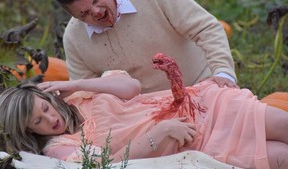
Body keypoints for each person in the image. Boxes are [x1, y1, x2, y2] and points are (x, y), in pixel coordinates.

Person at [0, 71, 287, 169]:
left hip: (203, 108)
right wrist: (161, 132)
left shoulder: (76, 98)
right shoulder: (59, 147)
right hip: (194, 139)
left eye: (45, 108)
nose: (50, 119)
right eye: (38, 121)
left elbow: (131, 88)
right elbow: (110, 163)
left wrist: (76, 83)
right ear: (28, 130)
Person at [49, 0, 237, 93]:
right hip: (148, 115)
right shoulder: (74, 39)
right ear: (73, 17)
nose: (97, 12)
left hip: (203, 84)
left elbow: (206, 28)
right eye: (85, 14)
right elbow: (87, 94)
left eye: (96, 0)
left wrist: (223, 73)